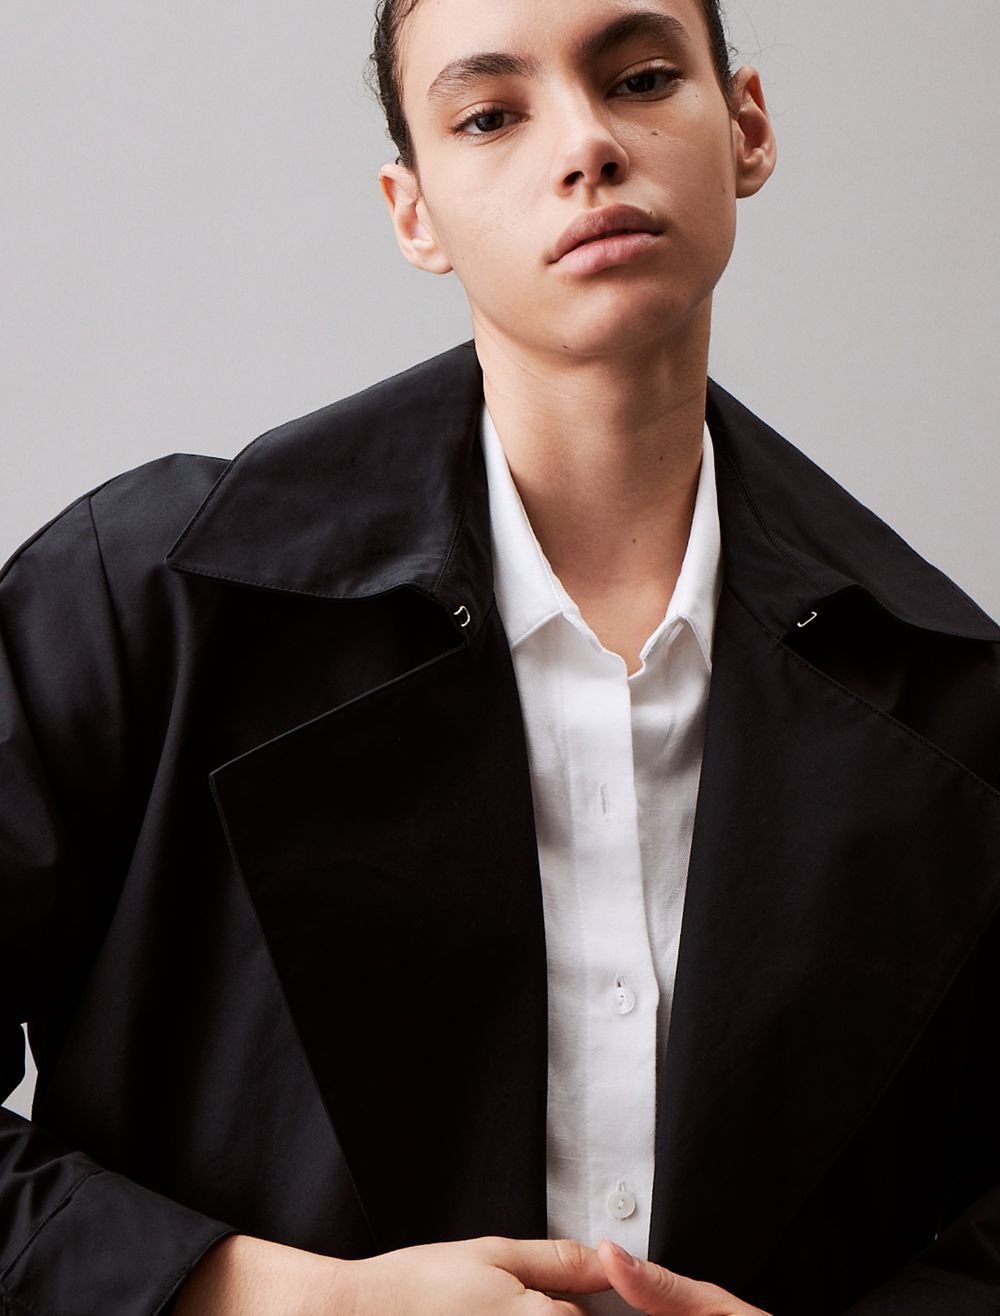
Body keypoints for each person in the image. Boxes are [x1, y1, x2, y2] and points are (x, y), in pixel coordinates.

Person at [1, 0, 999, 1313]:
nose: (586, 145)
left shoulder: (958, 694)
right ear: (413, 210)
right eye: (489, 116)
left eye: (641, 78)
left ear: (746, 127)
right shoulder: (141, 603)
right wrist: (284, 1300)